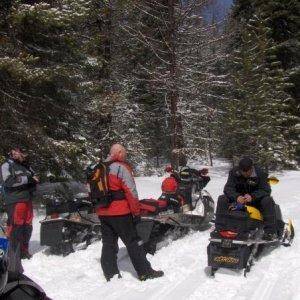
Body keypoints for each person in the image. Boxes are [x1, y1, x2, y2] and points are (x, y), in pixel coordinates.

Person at [92, 144, 164, 281]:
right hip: (120, 213)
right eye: (124, 153)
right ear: (118, 153)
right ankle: (144, 272)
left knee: (108, 243)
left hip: (103, 213)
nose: (125, 156)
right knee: (133, 242)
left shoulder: (98, 169)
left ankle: (111, 274)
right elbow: (131, 192)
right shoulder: (120, 167)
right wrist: (136, 212)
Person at [216, 157, 277, 240]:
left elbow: (266, 190)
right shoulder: (234, 172)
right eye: (242, 171)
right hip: (239, 200)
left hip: (255, 201)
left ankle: (270, 232)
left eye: (247, 171)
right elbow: (228, 188)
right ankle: (219, 228)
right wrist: (236, 196)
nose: (244, 173)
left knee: (267, 200)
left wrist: (253, 196)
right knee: (222, 198)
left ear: (251, 168)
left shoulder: (261, 173)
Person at [0, 147, 38, 279]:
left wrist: (32, 181)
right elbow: (9, 181)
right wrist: (28, 179)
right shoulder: (7, 165)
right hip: (15, 200)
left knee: (27, 226)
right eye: (15, 152)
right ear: (11, 153)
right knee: (16, 227)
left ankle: (23, 251)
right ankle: (12, 261)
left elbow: (35, 179)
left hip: (27, 199)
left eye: (21, 152)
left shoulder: (26, 166)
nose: (19, 154)